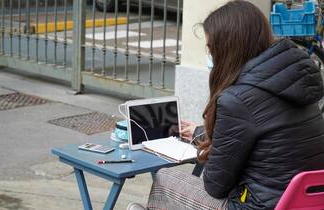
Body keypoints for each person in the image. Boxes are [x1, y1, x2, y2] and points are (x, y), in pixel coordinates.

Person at [127, 1, 324, 209]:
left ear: (227, 49)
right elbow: (264, 133)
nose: (210, 56)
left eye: (210, 48)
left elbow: (215, 186)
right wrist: (200, 132)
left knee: (165, 176)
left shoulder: (238, 99)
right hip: (302, 203)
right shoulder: (293, 82)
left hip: (255, 205)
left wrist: (211, 148)